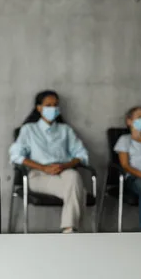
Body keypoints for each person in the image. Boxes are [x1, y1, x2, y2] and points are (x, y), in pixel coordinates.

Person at [9, 90, 90, 233]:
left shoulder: (65, 130)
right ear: (39, 108)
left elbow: (82, 155)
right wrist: (43, 168)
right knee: (79, 192)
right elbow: (16, 156)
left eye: (55, 105)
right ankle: (71, 230)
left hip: (64, 171)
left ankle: (69, 229)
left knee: (73, 176)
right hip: (39, 175)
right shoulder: (29, 129)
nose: (53, 108)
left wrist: (64, 165)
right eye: (49, 105)